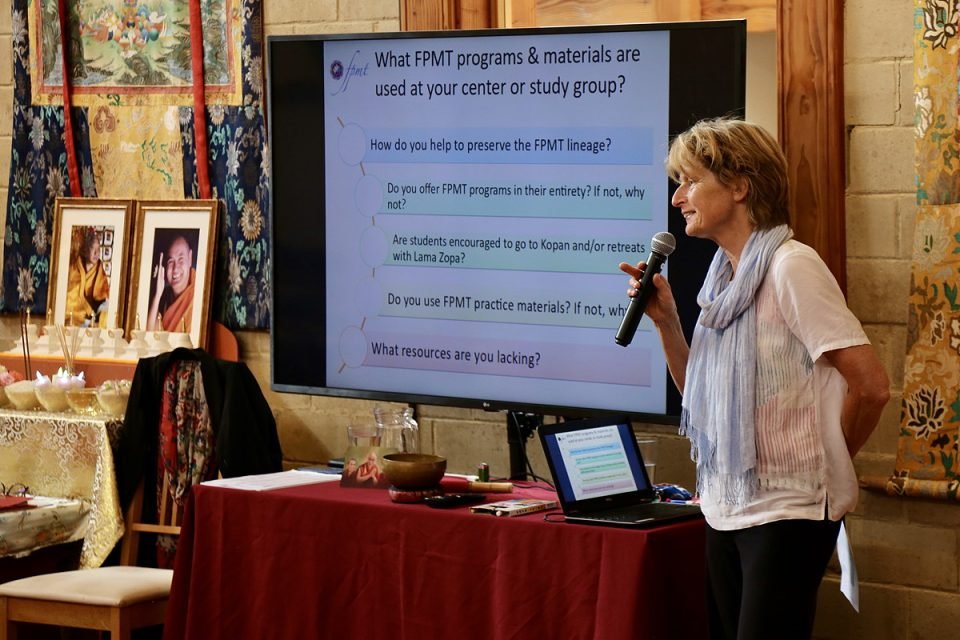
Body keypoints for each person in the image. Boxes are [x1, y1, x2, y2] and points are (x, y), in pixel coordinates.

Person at [619, 118, 890, 640]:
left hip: (789, 510)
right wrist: (668, 322)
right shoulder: (724, 277)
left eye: (691, 181)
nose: (678, 198)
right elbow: (698, 395)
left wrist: (827, 464)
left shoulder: (791, 267)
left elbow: (872, 386)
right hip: (725, 504)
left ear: (740, 186)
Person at [146, 233, 196, 332]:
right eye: (170, 261)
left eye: (181, 259)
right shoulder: (165, 297)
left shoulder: (198, 296)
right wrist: (157, 295)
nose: (175, 269)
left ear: (190, 258)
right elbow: (151, 336)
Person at [64, 226, 110, 327]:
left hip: (93, 312)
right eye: (92, 249)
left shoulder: (99, 269)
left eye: (98, 249)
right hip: (76, 313)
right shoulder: (75, 266)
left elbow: (102, 296)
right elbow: (71, 292)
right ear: (85, 250)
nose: (96, 253)